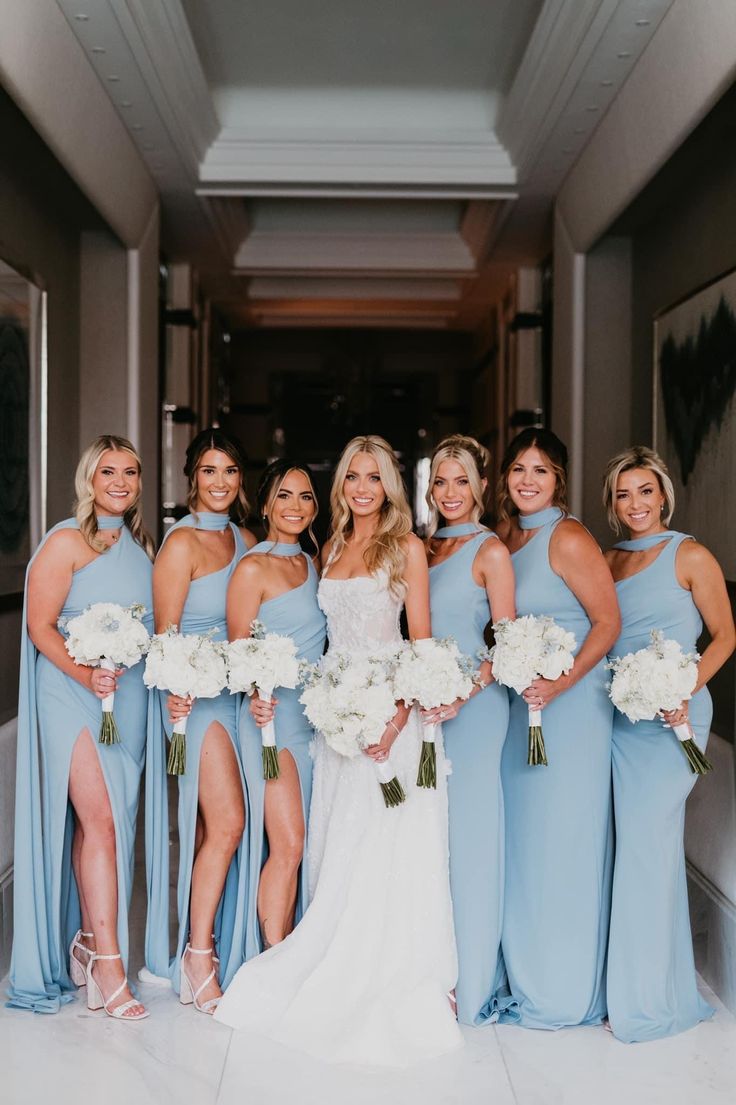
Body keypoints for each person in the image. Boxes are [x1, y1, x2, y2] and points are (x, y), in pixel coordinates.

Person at [216, 435, 461, 1066]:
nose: (362, 488)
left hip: (390, 723)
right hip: (333, 722)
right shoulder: (326, 549)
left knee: (392, 846)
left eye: (374, 478)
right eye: (353, 475)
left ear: (390, 487)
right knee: (340, 843)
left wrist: (397, 717)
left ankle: (402, 970)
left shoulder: (405, 548)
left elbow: (420, 645)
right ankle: (318, 958)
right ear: (342, 485)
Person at [7, 435, 154, 1019]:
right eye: (108, 471)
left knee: (105, 823)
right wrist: (85, 671)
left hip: (130, 701)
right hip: (71, 694)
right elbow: (41, 626)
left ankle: (88, 939)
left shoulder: (141, 548)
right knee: (101, 823)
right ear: (88, 479)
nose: (120, 482)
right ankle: (109, 966)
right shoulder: (66, 541)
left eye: (131, 472)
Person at [602, 445, 735, 1042]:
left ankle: (649, 997)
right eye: (624, 494)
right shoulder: (607, 560)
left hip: (674, 719)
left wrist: (687, 686)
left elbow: (726, 636)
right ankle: (631, 983)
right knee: (630, 847)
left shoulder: (691, 554)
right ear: (613, 502)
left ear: (664, 495)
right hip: (620, 721)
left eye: (645, 491)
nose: (636, 504)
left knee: (648, 844)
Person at [495, 427, 620, 1029]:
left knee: (564, 841)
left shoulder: (568, 537)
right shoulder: (506, 539)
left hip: (570, 710)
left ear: (558, 480)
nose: (526, 480)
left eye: (539, 471)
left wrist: (561, 683)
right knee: (524, 843)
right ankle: (527, 970)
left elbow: (607, 622)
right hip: (521, 709)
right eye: (518, 469)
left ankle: (565, 987)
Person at [144, 428, 256, 1013]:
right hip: (192, 700)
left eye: (230, 471)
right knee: (229, 823)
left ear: (241, 480)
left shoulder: (247, 538)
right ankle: (197, 954)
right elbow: (165, 636)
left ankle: (219, 947)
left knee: (229, 828)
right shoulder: (180, 544)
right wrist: (175, 697)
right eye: (209, 471)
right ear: (193, 477)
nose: (219, 482)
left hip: (239, 699)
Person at [424, 434, 515, 1025]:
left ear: (481, 486)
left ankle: (473, 978)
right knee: (430, 844)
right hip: (424, 713)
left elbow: (508, 643)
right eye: (440, 481)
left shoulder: (491, 552)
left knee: (472, 844)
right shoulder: (419, 547)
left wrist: (464, 691)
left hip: (475, 712)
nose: (450, 492)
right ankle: (432, 968)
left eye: (461, 480)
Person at [227, 459, 326, 957]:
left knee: (305, 847)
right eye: (285, 495)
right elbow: (238, 648)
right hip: (271, 721)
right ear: (266, 503)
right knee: (287, 843)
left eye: (306, 496)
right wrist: (253, 693)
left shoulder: (314, 563)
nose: (295, 506)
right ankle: (274, 957)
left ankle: (292, 947)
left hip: (317, 721)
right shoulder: (252, 566)